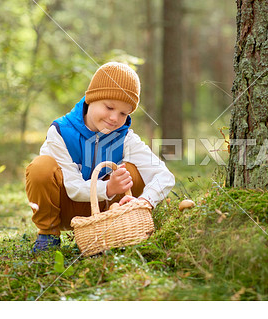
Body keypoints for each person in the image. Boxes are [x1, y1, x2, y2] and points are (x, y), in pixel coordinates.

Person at [25, 62, 175, 252]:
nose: (114, 118)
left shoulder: (125, 137)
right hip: (67, 210)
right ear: (91, 98)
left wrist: (145, 201)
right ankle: (48, 234)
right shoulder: (61, 132)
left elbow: (165, 176)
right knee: (41, 167)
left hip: (108, 212)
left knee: (131, 171)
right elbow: (72, 187)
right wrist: (109, 187)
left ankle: (117, 230)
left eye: (123, 113)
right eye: (109, 107)